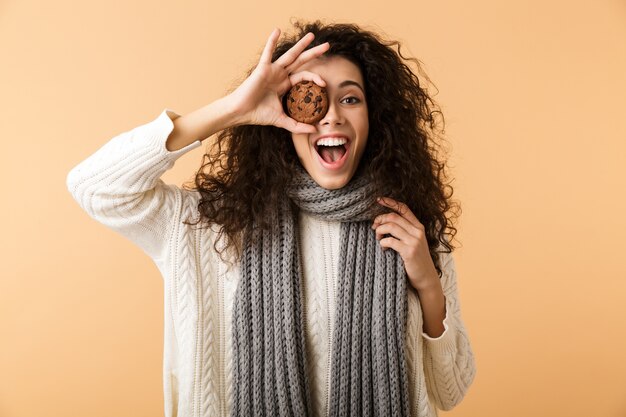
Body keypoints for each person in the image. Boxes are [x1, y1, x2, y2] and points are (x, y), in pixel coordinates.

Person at [67, 19, 476, 417]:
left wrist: (428, 285)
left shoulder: (411, 232)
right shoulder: (212, 227)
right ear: (282, 116)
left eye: (350, 98)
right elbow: (94, 187)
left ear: (375, 118)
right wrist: (233, 109)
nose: (331, 115)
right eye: (309, 95)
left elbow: (451, 390)